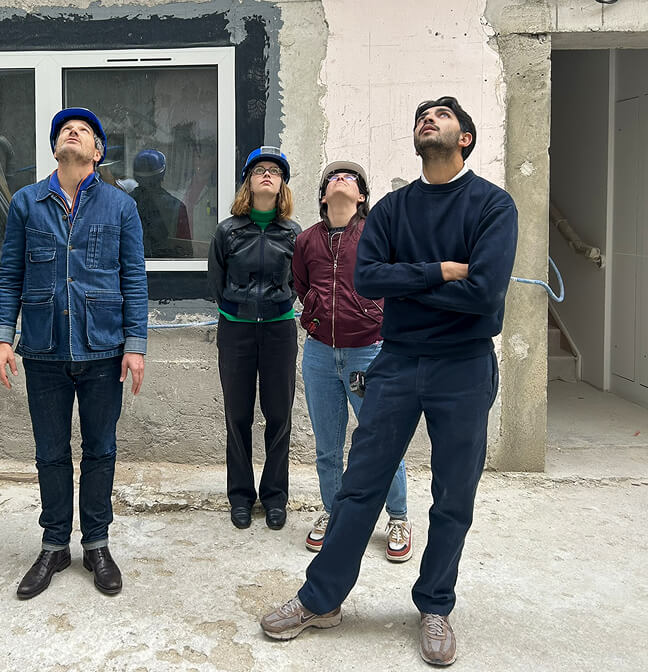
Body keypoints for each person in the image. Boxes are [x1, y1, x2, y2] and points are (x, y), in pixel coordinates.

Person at [260, 96, 518, 667]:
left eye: (444, 115)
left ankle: (434, 604)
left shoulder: (492, 206)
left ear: (466, 138)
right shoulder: (394, 210)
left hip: (464, 364)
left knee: (454, 493)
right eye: (423, 115)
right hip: (398, 361)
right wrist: (441, 270)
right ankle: (320, 599)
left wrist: (411, 284)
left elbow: (485, 294)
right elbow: (370, 279)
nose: (430, 118)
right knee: (360, 484)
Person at [0, 107, 147, 600]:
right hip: (43, 348)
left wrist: (135, 346)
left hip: (104, 349)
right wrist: (0, 337)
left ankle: (96, 543)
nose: (72, 133)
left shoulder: (121, 206)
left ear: (97, 152)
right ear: (55, 147)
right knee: (51, 453)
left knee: (101, 450)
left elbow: (134, 279)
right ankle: (55, 544)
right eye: (65, 129)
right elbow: (9, 272)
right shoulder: (27, 202)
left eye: (83, 130)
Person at [292, 161, 411, 560]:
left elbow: (396, 281)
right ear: (323, 195)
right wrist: (314, 312)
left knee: (381, 440)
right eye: (332, 178)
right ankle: (333, 512)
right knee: (327, 447)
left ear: (361, 196)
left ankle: (398, 515)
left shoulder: (378, 236)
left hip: (369, 351)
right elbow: (301, 285)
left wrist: (373, 315)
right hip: (320, 354)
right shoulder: (306, 240)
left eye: (351, 179)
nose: (340, 181)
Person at [207, 146, 301, 531]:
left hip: (279, 330)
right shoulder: (228, 231)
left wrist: (277, 304)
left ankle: (276, 497)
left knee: (279, 416)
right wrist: (238, 309)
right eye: (259, 170)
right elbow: (216, 282)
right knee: (238, 416)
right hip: (237, 331)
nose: (267, 175)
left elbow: (300, 280)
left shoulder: (294, 233)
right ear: (248, 181)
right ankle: (241, 496)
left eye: (275, 171)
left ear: (282, 185)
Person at [130, 149, 193, 258]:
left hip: (130, 269)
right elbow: (185, 251)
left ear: (135, 176)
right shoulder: (177, 206)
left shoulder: (124, 204)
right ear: (163, 175)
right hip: (169, 270)